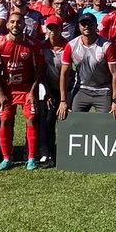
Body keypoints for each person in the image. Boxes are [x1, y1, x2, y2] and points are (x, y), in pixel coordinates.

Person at [0, 12, 45, 171]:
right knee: (5, 120)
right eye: (12, 22)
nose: (16, 25)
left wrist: (33, 91)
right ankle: (7, 158)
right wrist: (0, 93)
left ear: (24, 25)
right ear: (7, 25)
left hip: (27, 88)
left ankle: (31, 158)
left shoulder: (33, 44)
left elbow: (39, 69)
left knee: (31, 119)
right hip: (7, 89)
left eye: (19, 22)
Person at [57, 13, 116, 120]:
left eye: (90, 24)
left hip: (103, 90)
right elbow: (64, 74)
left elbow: (115, 74)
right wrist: (63, 101)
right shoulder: (71, 45)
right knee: (74, 120)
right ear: (79, 26)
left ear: (96, 26)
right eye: (83, 24)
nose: (86, 26)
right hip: (82, 89)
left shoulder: (106, 46)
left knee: (106, 122)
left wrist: (115, 100)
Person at [37, 15, 68, 167]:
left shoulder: (69, 46)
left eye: (56, 28)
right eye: (50, 28)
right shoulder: (41, 46)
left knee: (66, 120)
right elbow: (40, 72)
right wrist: (47, 92)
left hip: (66, 89)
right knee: (48, 121)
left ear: (61, 29)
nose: (53, 31)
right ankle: (48, 154)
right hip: (48, 89)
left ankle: (66, 153)